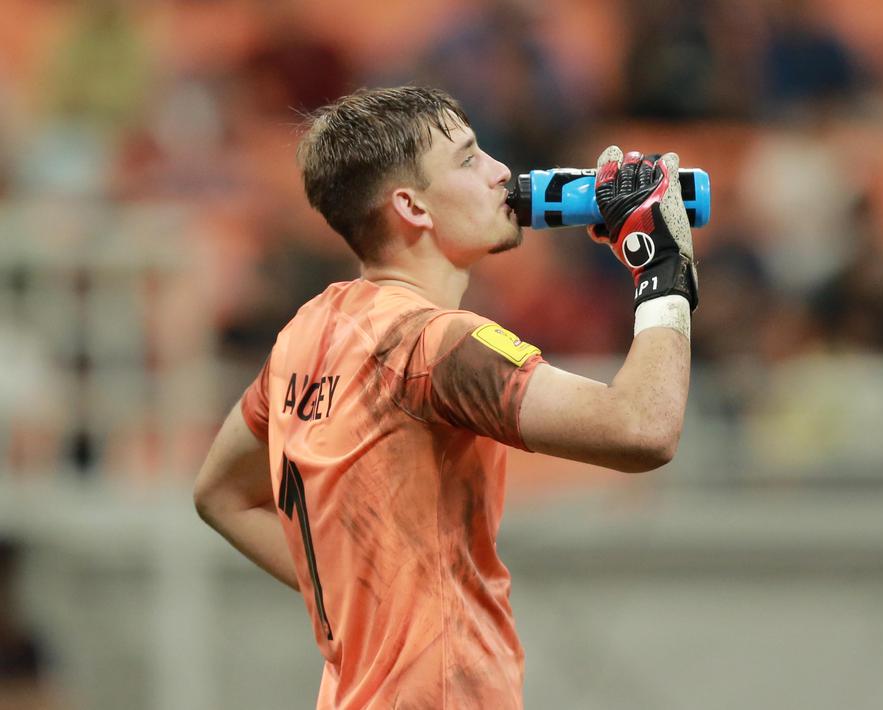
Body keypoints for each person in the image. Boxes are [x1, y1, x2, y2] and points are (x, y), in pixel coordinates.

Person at [192, 85, 698, 709]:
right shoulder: (436, 346)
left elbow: (219, 494)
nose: (501, 173)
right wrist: (662, 268)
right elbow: (644, 429)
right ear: (412, 208)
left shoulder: (305, 333)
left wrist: (366, 606)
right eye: (468, 159)